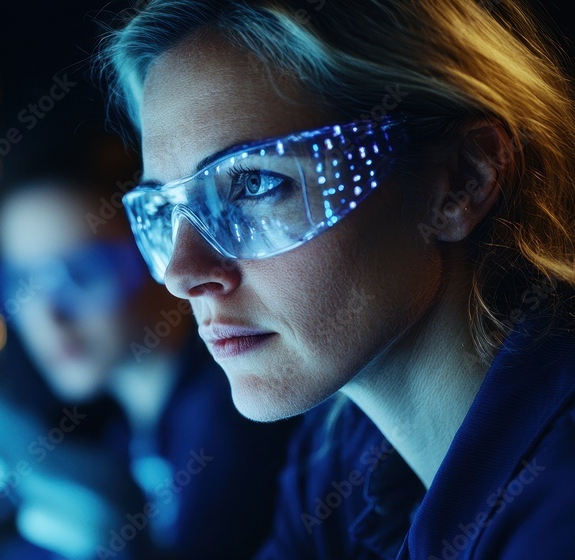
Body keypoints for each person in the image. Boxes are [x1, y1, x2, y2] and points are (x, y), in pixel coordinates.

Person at [97, 0, 575, 558]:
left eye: (253, 184)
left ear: (463, 179)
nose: (183, 274)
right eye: (162, 211)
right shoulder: (339, 457)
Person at [0, 130, 296, 559]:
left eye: (83, 271)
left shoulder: (233, 417)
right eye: (24, 284)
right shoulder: (129, 436)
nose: (50, 316)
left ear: (161, 256)